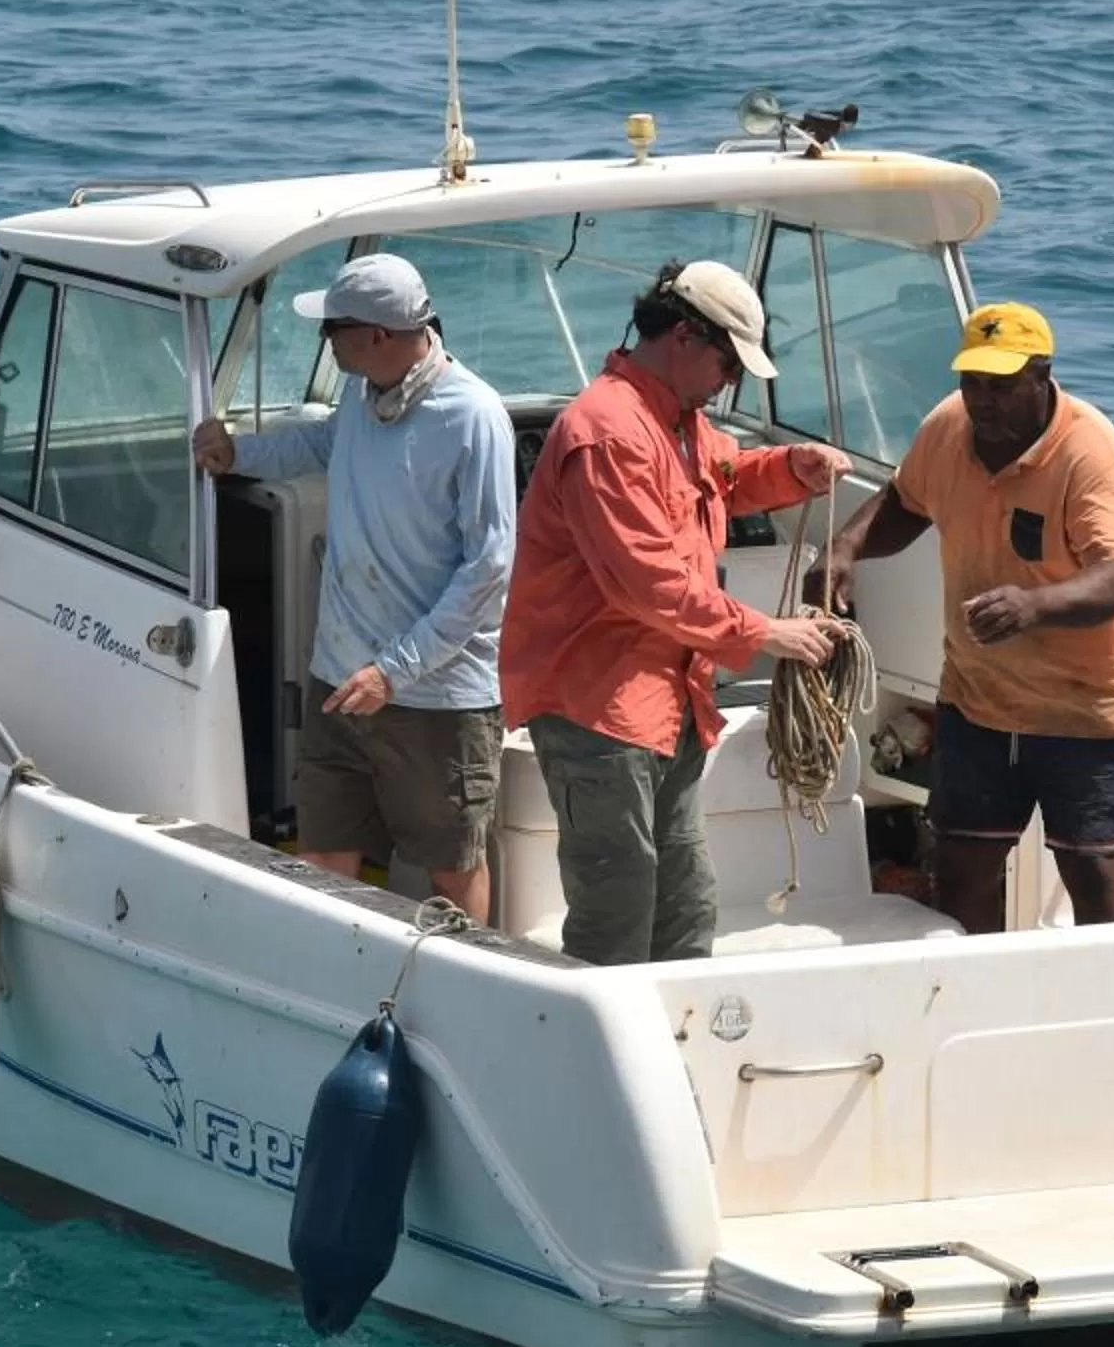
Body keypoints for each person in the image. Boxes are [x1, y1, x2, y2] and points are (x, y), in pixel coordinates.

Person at [499, 261, 852, 965]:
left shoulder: (680, 422)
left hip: (670, 704)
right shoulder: (607, 431)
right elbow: (646, 585)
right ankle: (589, 1066)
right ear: (686, 337)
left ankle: (674, 1052)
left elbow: (726, 477)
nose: (730, 382)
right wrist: (767, 634)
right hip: (598, 708)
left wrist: (792, 468)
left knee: (686, 903)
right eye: (728, 364)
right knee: (616, 909)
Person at [813, 301, 1114, 934]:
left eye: (1001, 385)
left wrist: (1032, 605)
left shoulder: (1093, 455)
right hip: (981, 701)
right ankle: (972, 1000)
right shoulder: (947, 428)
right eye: (971, 382)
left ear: (1042, 375)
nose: (983, 401)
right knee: (962, 862)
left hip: (1088, 708)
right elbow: (906, 503)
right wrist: (845, 547)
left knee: (1092, 868)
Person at [191, 254, 516, 926]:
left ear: (378, 335)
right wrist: (237, 455)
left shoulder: (474, 416)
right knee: (325, 850)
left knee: (453, 865)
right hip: (339, 677)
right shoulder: (363, 393)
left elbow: (489, 567)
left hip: (434, 698)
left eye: (332, 329)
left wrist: (394, 672)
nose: (325, 341)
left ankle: (471, 988)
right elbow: (324, 444)